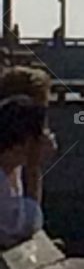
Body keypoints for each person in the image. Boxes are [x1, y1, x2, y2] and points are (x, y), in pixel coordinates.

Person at [0, 95, 54, 249]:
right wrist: (34, 167)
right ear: (28, 141)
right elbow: (27, 227)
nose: (49, 137)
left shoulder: (11, 170)